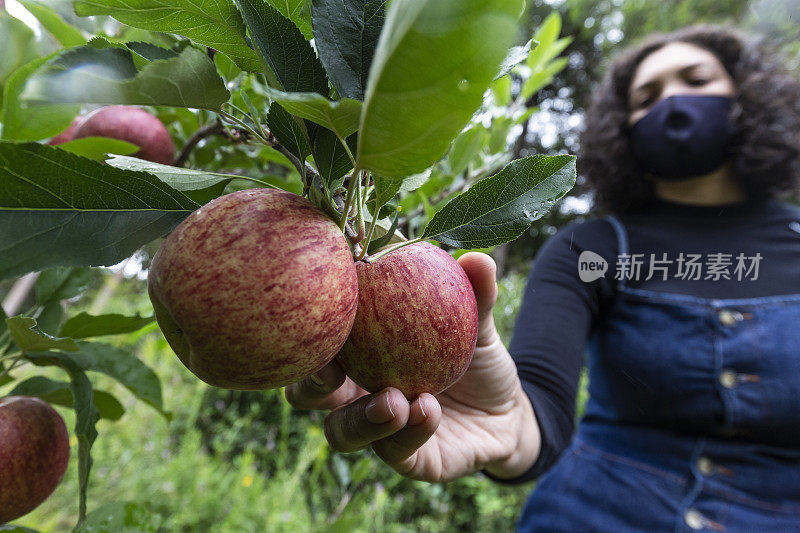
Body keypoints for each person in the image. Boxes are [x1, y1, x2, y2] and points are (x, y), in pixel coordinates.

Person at [286, 25, 800, 531]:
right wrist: (504, 427)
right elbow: (541, 406)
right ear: (622, 128)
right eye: (648, 95)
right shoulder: (590, 249)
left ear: (746, 96)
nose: (673, 101)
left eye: (696, 79)